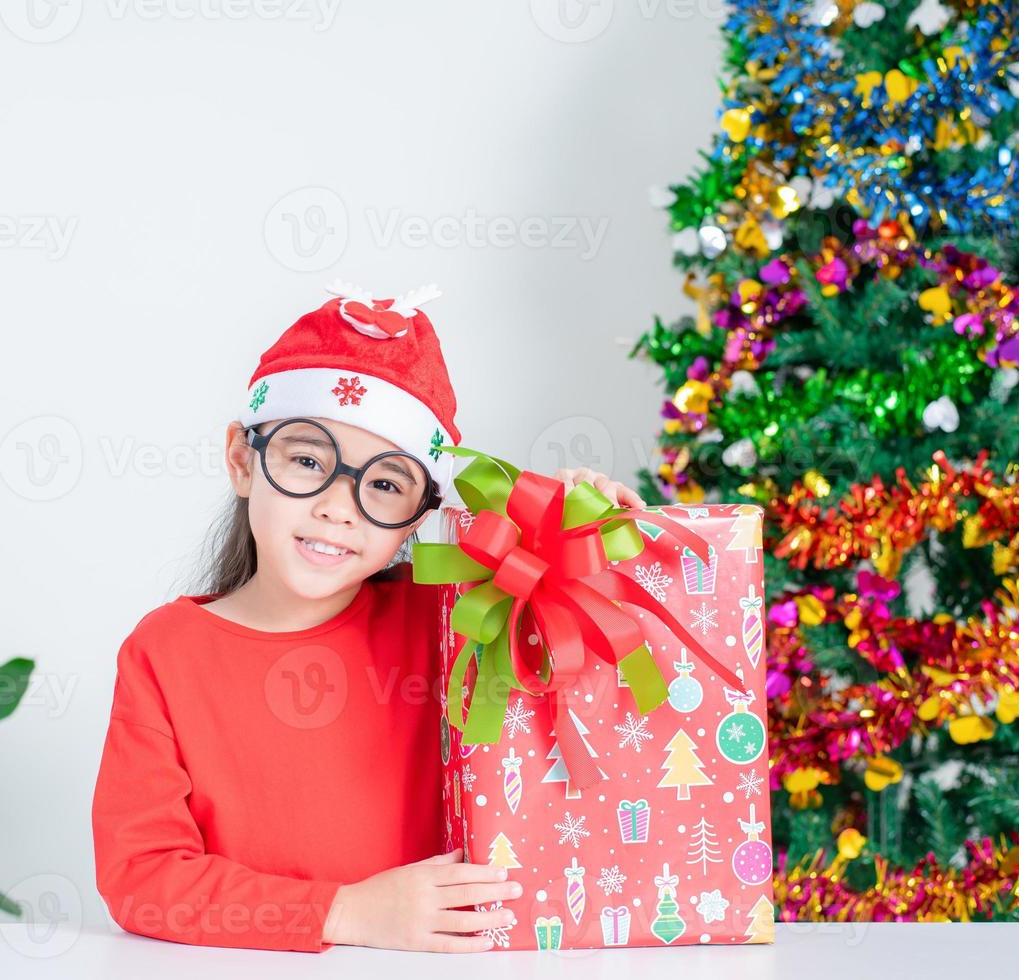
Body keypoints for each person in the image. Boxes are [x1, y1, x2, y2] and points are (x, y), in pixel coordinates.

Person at [90, 284, 644, 953]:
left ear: (415, 517)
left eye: (384, 484)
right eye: (306, 461)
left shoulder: (449, 618)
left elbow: (582, 662)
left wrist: (588, 533)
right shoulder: (165, 652)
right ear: (243, 460)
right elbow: (141, 879)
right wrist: (342, 912)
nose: (338, 507)